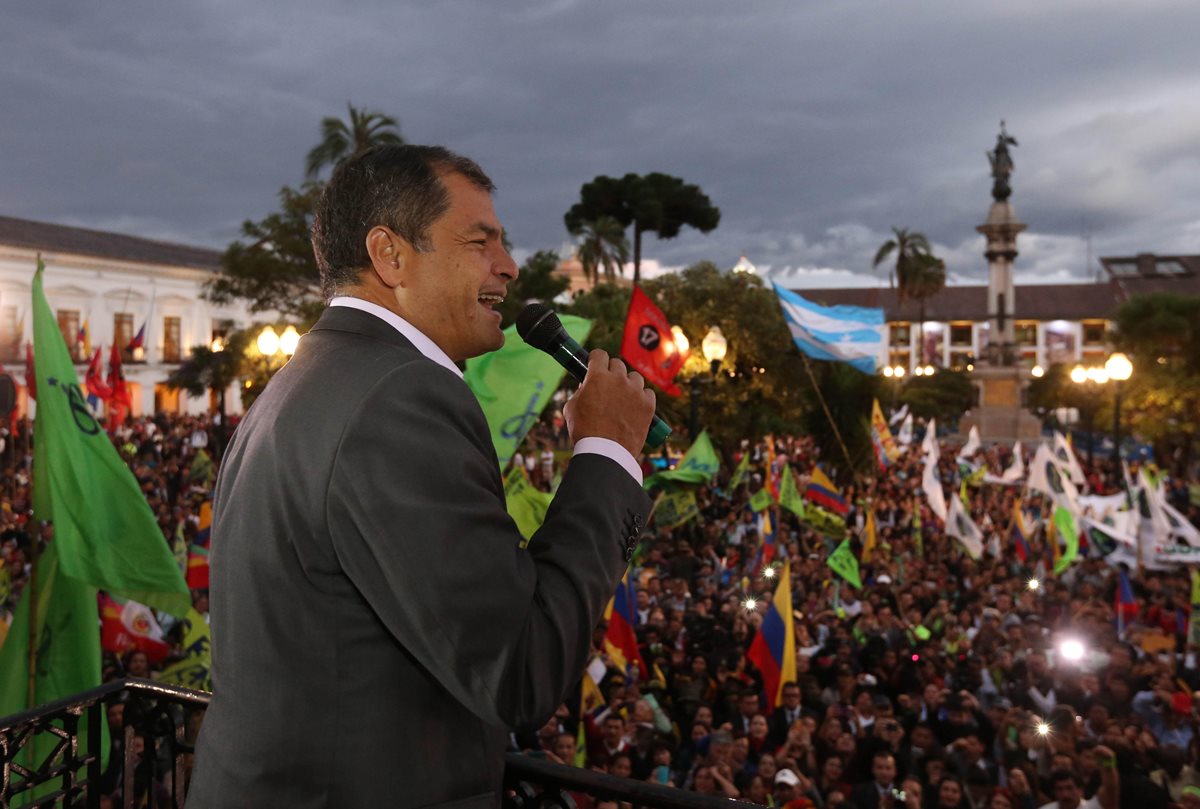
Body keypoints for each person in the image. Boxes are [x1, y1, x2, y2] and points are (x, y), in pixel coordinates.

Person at [188, 144, 656, 808]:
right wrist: (607, 453)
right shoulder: (402, 394)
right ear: (391, 255)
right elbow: (520, 666)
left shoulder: (304, 378)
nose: (508, 266)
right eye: (479, 240)